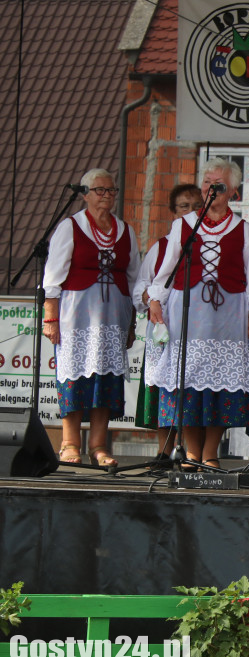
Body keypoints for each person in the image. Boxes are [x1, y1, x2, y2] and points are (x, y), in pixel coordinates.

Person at [147, 157, 249, 468]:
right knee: (189, 382)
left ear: (233, 192)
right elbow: (167, 268)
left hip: (227, 316)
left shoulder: (244, 229)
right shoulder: (183, 225)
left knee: (220, 386)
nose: (211, 189)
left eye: (218, 184)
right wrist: (155, 299)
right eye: (207, 183)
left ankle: (211, 452)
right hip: (189, 313)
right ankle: (192, 451)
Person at [43, 169, 140, 467]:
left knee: (106, 379)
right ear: (84, 194)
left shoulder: (126, 231)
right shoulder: (69, 227)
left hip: (114, 315)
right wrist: (50, 316)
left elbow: (135, 278)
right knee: (74, 377)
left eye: (111, 190)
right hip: (77, 315)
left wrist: (132, 323)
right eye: (100, 190)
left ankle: (99, 445)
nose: (107, 196)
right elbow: (53, 276)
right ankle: (70, 442)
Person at [133, 183, 202, 457]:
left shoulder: (209, 243)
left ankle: (190, 451)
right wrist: (153, 297)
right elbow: (140, 288)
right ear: (173, 212)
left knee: (190, 387)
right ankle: (164, 450)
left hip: (195, 330)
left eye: (196, 206)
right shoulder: (161, 247)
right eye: (184, 207)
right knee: (162, 388)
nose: (190, 212)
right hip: (165, 330)